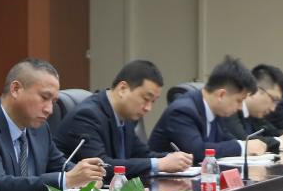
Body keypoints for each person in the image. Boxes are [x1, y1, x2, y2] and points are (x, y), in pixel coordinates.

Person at [0, 60, 105, 191]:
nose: (50, 110)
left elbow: (60, 165)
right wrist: (68, 179)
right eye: (44, 97)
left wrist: (86, 175)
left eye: (53, 101)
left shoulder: (40, 128)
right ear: (16, 89)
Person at [55, 60, 192, 180]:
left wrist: (173, 158)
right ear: (122, 89)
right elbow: (102, 166)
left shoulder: (125, 115)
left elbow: (141, 154)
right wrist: (160, 164)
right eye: (146, 98)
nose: (148, 108)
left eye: (153, 101)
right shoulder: (87, 115)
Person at [147, 56, 267, 159]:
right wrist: (243, 147)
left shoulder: (216, 111)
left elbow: (227, 141)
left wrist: (246, 146)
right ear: (221, 95)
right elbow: (196, 151)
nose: (240, 108)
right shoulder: (182, 111)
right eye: (239, 101)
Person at [221, 63, 283, 151]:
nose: (273, 109)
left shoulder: (255, 113)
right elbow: (245, 141)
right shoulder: (230, 108)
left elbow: (272, 132)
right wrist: (281, 141)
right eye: (274, 100)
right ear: (255, 90)